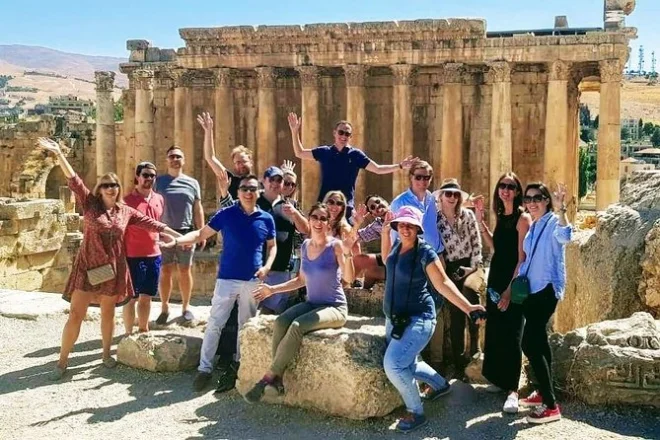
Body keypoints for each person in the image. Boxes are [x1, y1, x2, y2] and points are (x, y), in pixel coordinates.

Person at [36, 138, 180, 380]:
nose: (111, 188)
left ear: (118, 188)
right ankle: (62, 362)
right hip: (87, 269)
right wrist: (59, 153)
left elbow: (154, 224)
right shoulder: (89, 203)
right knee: (75, 315)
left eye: (114, 185)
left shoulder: (125, 212)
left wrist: (185, 237)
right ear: (100, 189)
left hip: (112, 270)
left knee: (108, 315)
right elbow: (74, 180)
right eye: (106, 185)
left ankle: (105, 355)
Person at [161, 175, 277, 393]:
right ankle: (204, 369)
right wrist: (177, 240)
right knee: (215, 323)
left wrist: (267, 266)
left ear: (259, 192)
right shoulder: (226, 214)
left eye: (252, 189)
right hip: (227, 279)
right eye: (244, 188)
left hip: (252, 280)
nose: (248, 192)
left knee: (246, 326)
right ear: (238, 192)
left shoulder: (266, 218)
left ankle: (239, 366)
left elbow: (272, 246)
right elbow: (201, 233)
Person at [380, 206, 486, 433]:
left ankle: (416, 412)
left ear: (418, 228)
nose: (405, 228)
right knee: (410, 362)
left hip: (419, 319)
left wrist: (468, 308)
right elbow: (386, 259)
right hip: (395, 318)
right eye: (401, 224)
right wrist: (384, 234)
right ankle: (440, 385)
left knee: (394, 364)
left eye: (410, 225)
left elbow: (443, 283)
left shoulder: (425, 252)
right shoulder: (397, 246)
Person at [244, 202, 357, 403]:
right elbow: (301, 280)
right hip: (312, 303)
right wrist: (272, 289)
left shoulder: (335, 246)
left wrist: (347, 255)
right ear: (309, 219)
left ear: (328, 222)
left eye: (323, 218)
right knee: (281, 321)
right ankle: (277, 379)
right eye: (315, 217)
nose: (319, 222)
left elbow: (349, 278)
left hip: (335, 307)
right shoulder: (305, 246)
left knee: (297, 326)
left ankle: (268, 377)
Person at [288, 112, 418, 219]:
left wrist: (400, 166)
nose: (343, 136)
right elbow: (300, 153)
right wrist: (295, 132)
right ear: (334, 133)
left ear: (350, 137)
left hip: (346, 208)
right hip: (325, 206)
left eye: (347, 134)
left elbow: (378, 169)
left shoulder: (355, 155)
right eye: (341, 132)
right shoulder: (325, 152)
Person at [476, 173, 531, 414]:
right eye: (502, 186)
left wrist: (509, 290)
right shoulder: (502, 215)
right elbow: (496, 248)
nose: (505, 190)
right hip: (496, 279)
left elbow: (522, 258)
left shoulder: (523, 218)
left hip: (513, 282)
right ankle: (498, 379)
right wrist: (481, 222)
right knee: (496, 329)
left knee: (513, 332)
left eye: (510, 186)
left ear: (517, 191)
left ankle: (513, 390)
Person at [517, 182, 572, 424]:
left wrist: (562, 210)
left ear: (546, 200)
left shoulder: (552, 221)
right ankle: (543, 391)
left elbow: (565, 236)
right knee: (539, 341)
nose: (532, 202)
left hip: (546, 290)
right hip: (532, 290)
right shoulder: (535, 224)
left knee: (529, 343)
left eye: (537, 198)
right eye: (528, 199)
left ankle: (551, 406)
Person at [435, 178, 484, 375]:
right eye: (448, 193)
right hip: (450, 268)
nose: (452, 197)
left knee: (470, 291)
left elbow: (477, 244)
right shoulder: (435, 219)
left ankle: (475, 347)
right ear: (441, 196)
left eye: (456, 194)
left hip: (471, 265)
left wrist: (471, 268)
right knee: (456, 312)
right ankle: (458, 361)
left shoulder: (468, 215)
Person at [154, 145, 205, 324]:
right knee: (165, 269)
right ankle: (164, 307)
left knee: (185, 269)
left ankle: (185, 307)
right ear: (167, 160)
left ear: (183, 160)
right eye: (172, 156)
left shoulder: (192, 183)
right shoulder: (158, 182)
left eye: (178, 157)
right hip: (164, 233)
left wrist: (201, 232)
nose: (175, 159)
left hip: (186, 233)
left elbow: (197, 208)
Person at [122, 161, 165, 335]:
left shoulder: (159, 199)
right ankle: (127, 334)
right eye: (145, 175)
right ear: (137, 177)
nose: (149, 178)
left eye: (152, 175)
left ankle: (143, 331)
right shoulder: (126, 202)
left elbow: (158, 224)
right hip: (132, 256)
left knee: (147, 297)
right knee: (131, 298)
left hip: (154, 255)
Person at [256, 166, 305, 314]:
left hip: (281, 267)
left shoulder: (292, 207)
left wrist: (295, 214)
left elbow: (306, 230)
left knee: (273, 312)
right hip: (257, 267)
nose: (289, 187)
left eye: (292, 184)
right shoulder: (256, 201)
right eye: (286, 183)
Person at [390, 161, 444, 254]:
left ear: (430, 179)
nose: (422, 181)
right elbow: (395, 235)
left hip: (436, 254)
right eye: (418, 177)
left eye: (426, 178)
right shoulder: (399, 202)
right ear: (411, 177)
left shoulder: (432, 199)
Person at [198, 112, 254, 199]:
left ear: (251, 162)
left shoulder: (260, 184)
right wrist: (208, 131)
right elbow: (210, 157)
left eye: (243, 161)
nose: (241, 165)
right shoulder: (230, 180)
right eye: (238, 162)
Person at [351, 194, 390, 289]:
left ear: (385, 201)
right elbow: (354, 238)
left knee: (371, 273)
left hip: (406, 256)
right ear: (373, 214)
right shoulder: (377, 225)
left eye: (378, 201)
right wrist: (357, 224)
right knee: (359, 260)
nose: (377, 206)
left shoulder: (400, 211)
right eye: (372, 207)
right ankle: (353, 286)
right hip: (388, 257)